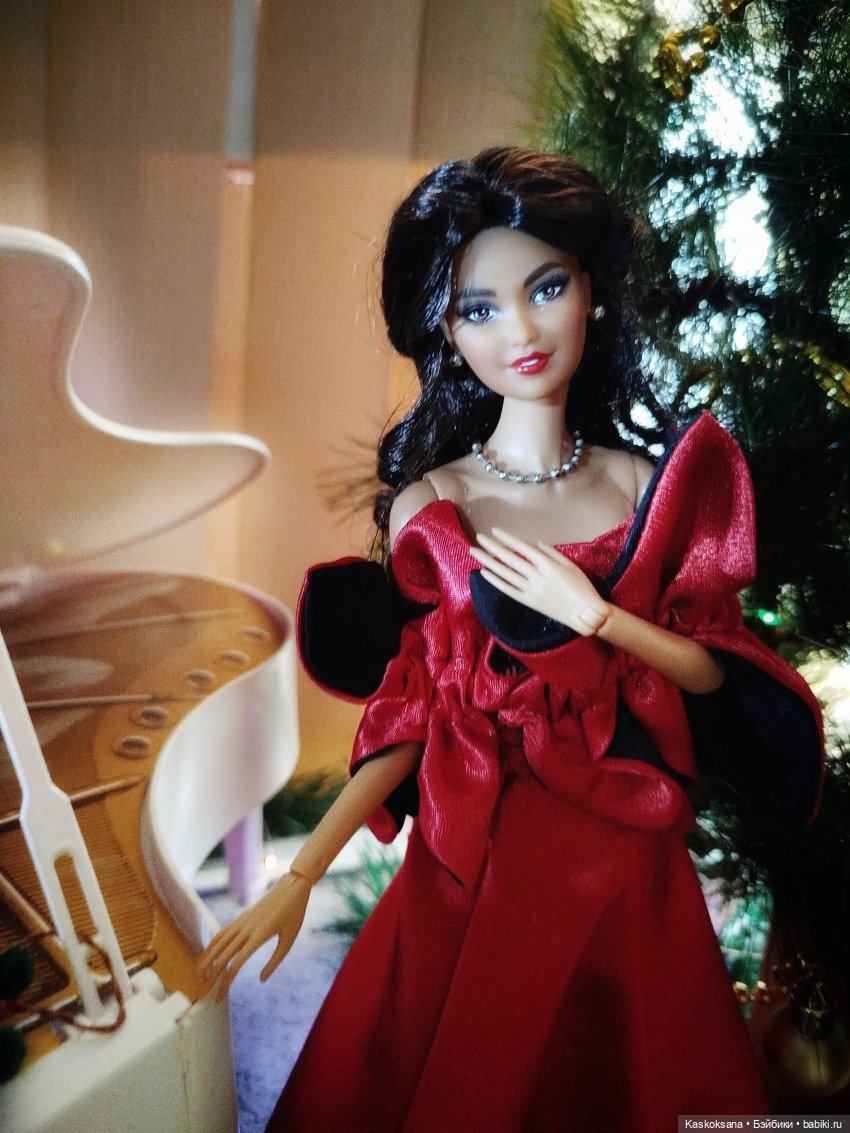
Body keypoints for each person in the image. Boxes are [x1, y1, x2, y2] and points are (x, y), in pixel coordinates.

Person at [199, 148, 823, 1132]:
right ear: (446, 332)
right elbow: (417, 709)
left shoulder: (642, 485)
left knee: (631, 1066)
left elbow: (711, 666)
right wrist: (305, 871)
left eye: (546, 288)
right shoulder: (439, 503)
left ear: (593, 291)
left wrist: (599, 617)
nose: (522, 332)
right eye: (479, 309)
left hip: (623, 845)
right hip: (481, 847)